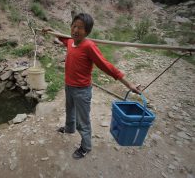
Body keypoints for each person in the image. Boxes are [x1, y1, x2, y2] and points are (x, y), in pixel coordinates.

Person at [42, 13, 141, 159]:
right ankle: (69, 129)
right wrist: (51, 31)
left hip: (82, 91)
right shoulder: (71, 42)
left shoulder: (89, 46)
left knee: (83, 121)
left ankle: (86, 146)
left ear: (87, 31)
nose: (76, 30)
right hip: (69, 86)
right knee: (69, 111)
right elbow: (64, 39)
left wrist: (128, 83)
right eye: (74, 26)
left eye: (80, 28)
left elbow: (106, 65)